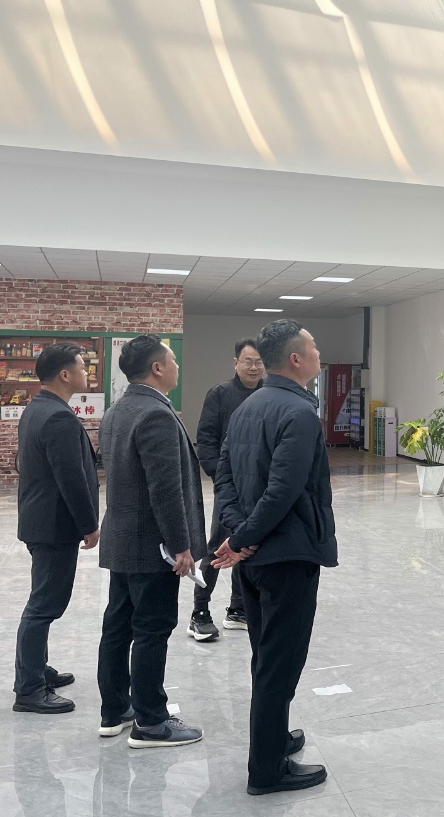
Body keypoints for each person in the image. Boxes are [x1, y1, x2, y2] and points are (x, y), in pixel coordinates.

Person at [212, 319, 337, 796]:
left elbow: (223, 476)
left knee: (266, 654)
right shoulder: (299, 412)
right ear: (296, 359)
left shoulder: (247, 407)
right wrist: (243, 536)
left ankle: (276, 737)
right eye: (314, 346)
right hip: (286, 554)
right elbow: (284, 491)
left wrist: (238, 535)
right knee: (279, 662)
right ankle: (267, 770)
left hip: (255, 556)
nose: (319, 352)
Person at [97, 335, 207, 747]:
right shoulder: (156, 414)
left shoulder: (117, 411)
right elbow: (165, 489)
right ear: (158, 368)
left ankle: (115, 710)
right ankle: (152, 721)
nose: (177, 365)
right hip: (151, 545)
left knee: (118, 625)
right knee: (151, 628)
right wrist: (181, 545)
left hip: (122, 539)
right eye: (173, 359)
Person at [11, 343, 100, 714]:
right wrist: (89, 525)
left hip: (40, 520)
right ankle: (29, 688)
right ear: (65, 374)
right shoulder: (58, 417)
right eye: (82, 367)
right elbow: (71, 478)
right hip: (53, 525)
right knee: (44, 606)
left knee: (43, 600)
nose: (86, 373)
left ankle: (38, 668)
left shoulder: (37, 408)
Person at [187, 338, 265, 642]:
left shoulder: (269, 394)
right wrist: (221, 479)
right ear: (236, 363)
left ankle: (238, 609)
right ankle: (199, 612)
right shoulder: (220, 394)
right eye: (248, 361)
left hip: (260, 489)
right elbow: (206, 440)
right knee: (218, 546)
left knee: (248, 545)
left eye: (259, 362)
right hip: (229, 487)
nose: (254, 367)